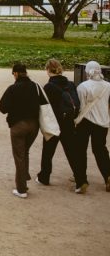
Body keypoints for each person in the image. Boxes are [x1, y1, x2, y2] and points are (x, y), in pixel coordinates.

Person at [0, 63, 41, 198]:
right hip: (34, 125)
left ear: (16, 73)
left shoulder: (13, 88)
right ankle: (24, 176)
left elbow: (3, 107)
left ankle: (21, 188)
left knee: (19, 156)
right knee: (25, 152)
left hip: (18, 125)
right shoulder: (36, 86)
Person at [36, 58, 80, 186]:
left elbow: (43, 107)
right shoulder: (70, 84)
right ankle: (80, 177)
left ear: (48, 70)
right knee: (71, 151)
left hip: (54, 123)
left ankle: (44, 176)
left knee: (48, 152)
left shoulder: (49, 86)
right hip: (68, 122)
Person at [73, 60, 110, 194]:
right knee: (100, 149)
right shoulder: (108, 86)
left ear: (87, 71)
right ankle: (108, 175)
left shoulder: (83, 86)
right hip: (103, 121)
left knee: (80, 150)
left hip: (86, 121)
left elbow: (80, 107)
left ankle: (81, 180)